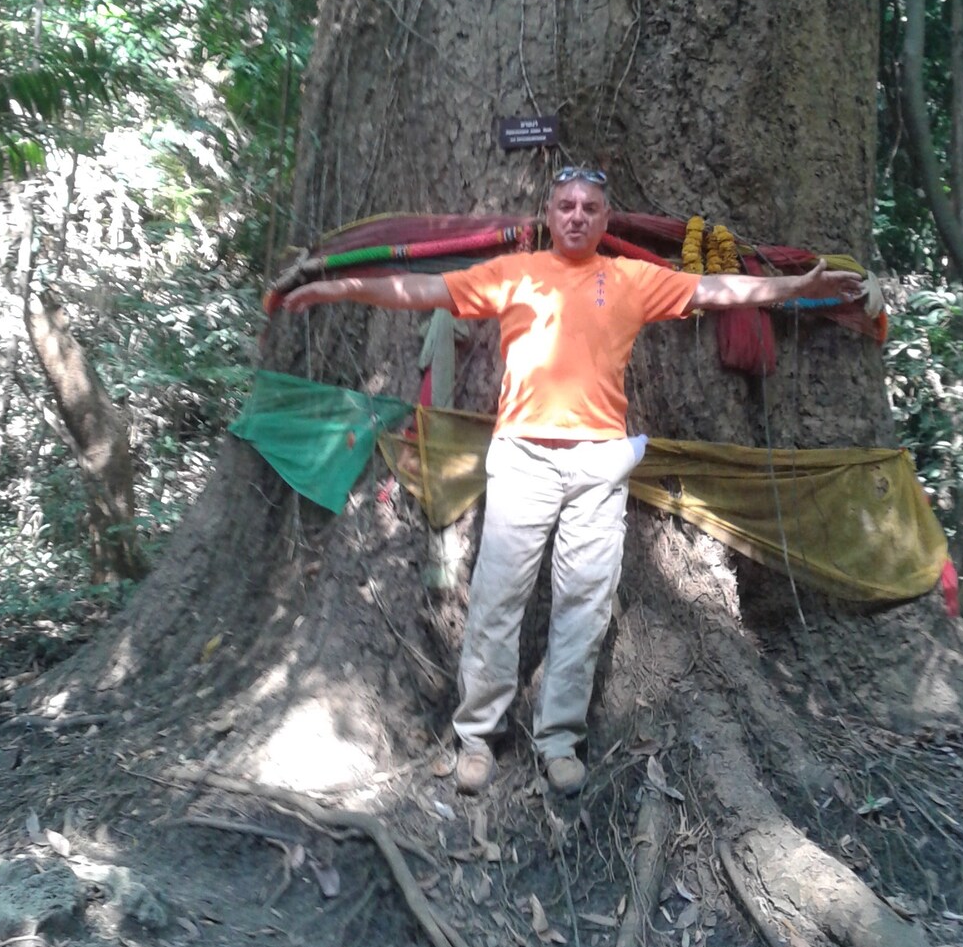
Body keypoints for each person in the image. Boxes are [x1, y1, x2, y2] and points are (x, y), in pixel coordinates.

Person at [283, 168, 866, 797]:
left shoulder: (630, 279)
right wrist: (338, 287)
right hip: (522, 459)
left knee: (583, 609)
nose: (578, 216)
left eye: (590, 207)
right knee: (497, 600)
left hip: (598, 466)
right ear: (549, 213)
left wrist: (796, 285)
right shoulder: (513, 273)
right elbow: (417, 290)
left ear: (606, 219)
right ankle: (477, 736)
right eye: (566, 205)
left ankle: (558, 739)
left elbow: (715, 290)